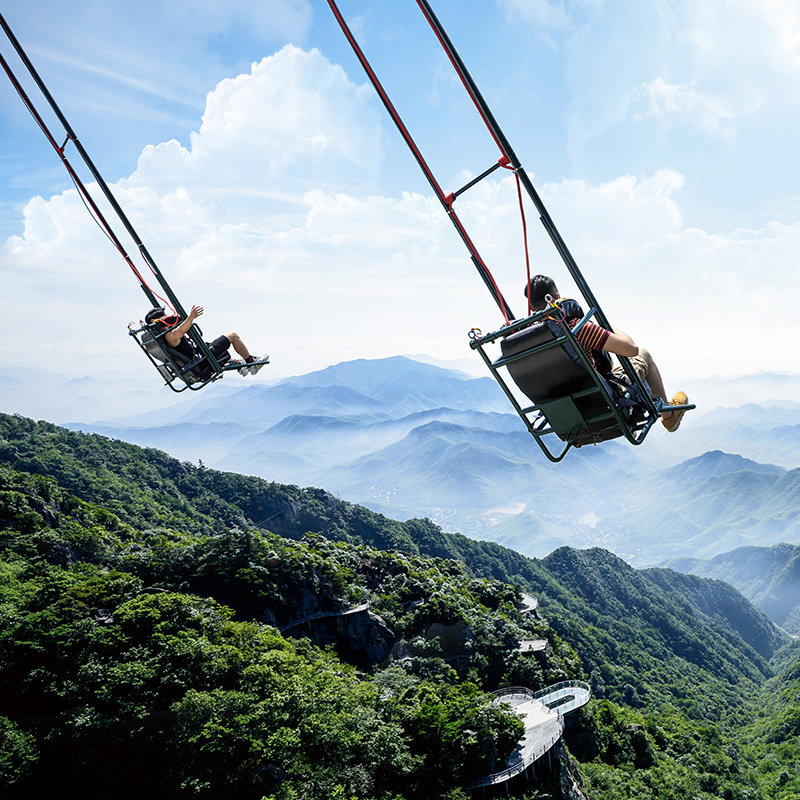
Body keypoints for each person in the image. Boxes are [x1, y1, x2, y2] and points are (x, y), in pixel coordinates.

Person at [523, 275, 688, 432]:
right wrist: (605, 326)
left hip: (567, 410)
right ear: (557, 296)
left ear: (531, 307)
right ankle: (668, 415)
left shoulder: (529, 342)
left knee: (611, 366)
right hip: (600, 403)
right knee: (642, 354)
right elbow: (631, 349)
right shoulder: (575, 328)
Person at [144, 305, 268, 377]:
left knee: (212, 345)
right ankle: (251, 363)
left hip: (198, 359)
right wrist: (191, 317)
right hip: (202, 361)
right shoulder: (170, 336)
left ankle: (239, 365)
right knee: (233, 335)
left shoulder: (165, 337)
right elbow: (179, 332)